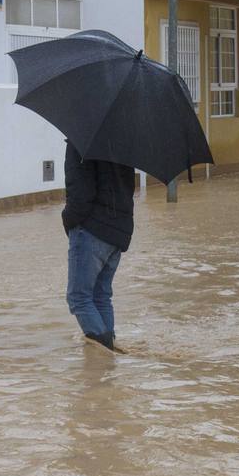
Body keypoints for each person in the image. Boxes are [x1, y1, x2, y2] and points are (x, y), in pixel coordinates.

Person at [62, 141, 135, 351]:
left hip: (91, 231)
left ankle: (106, 353)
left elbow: (79, 197)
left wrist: (67, 220)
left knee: (79, 298)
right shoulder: (124, 144)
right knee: (101, 295)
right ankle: (105, 372)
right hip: (119, 233)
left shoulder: (79, 144)